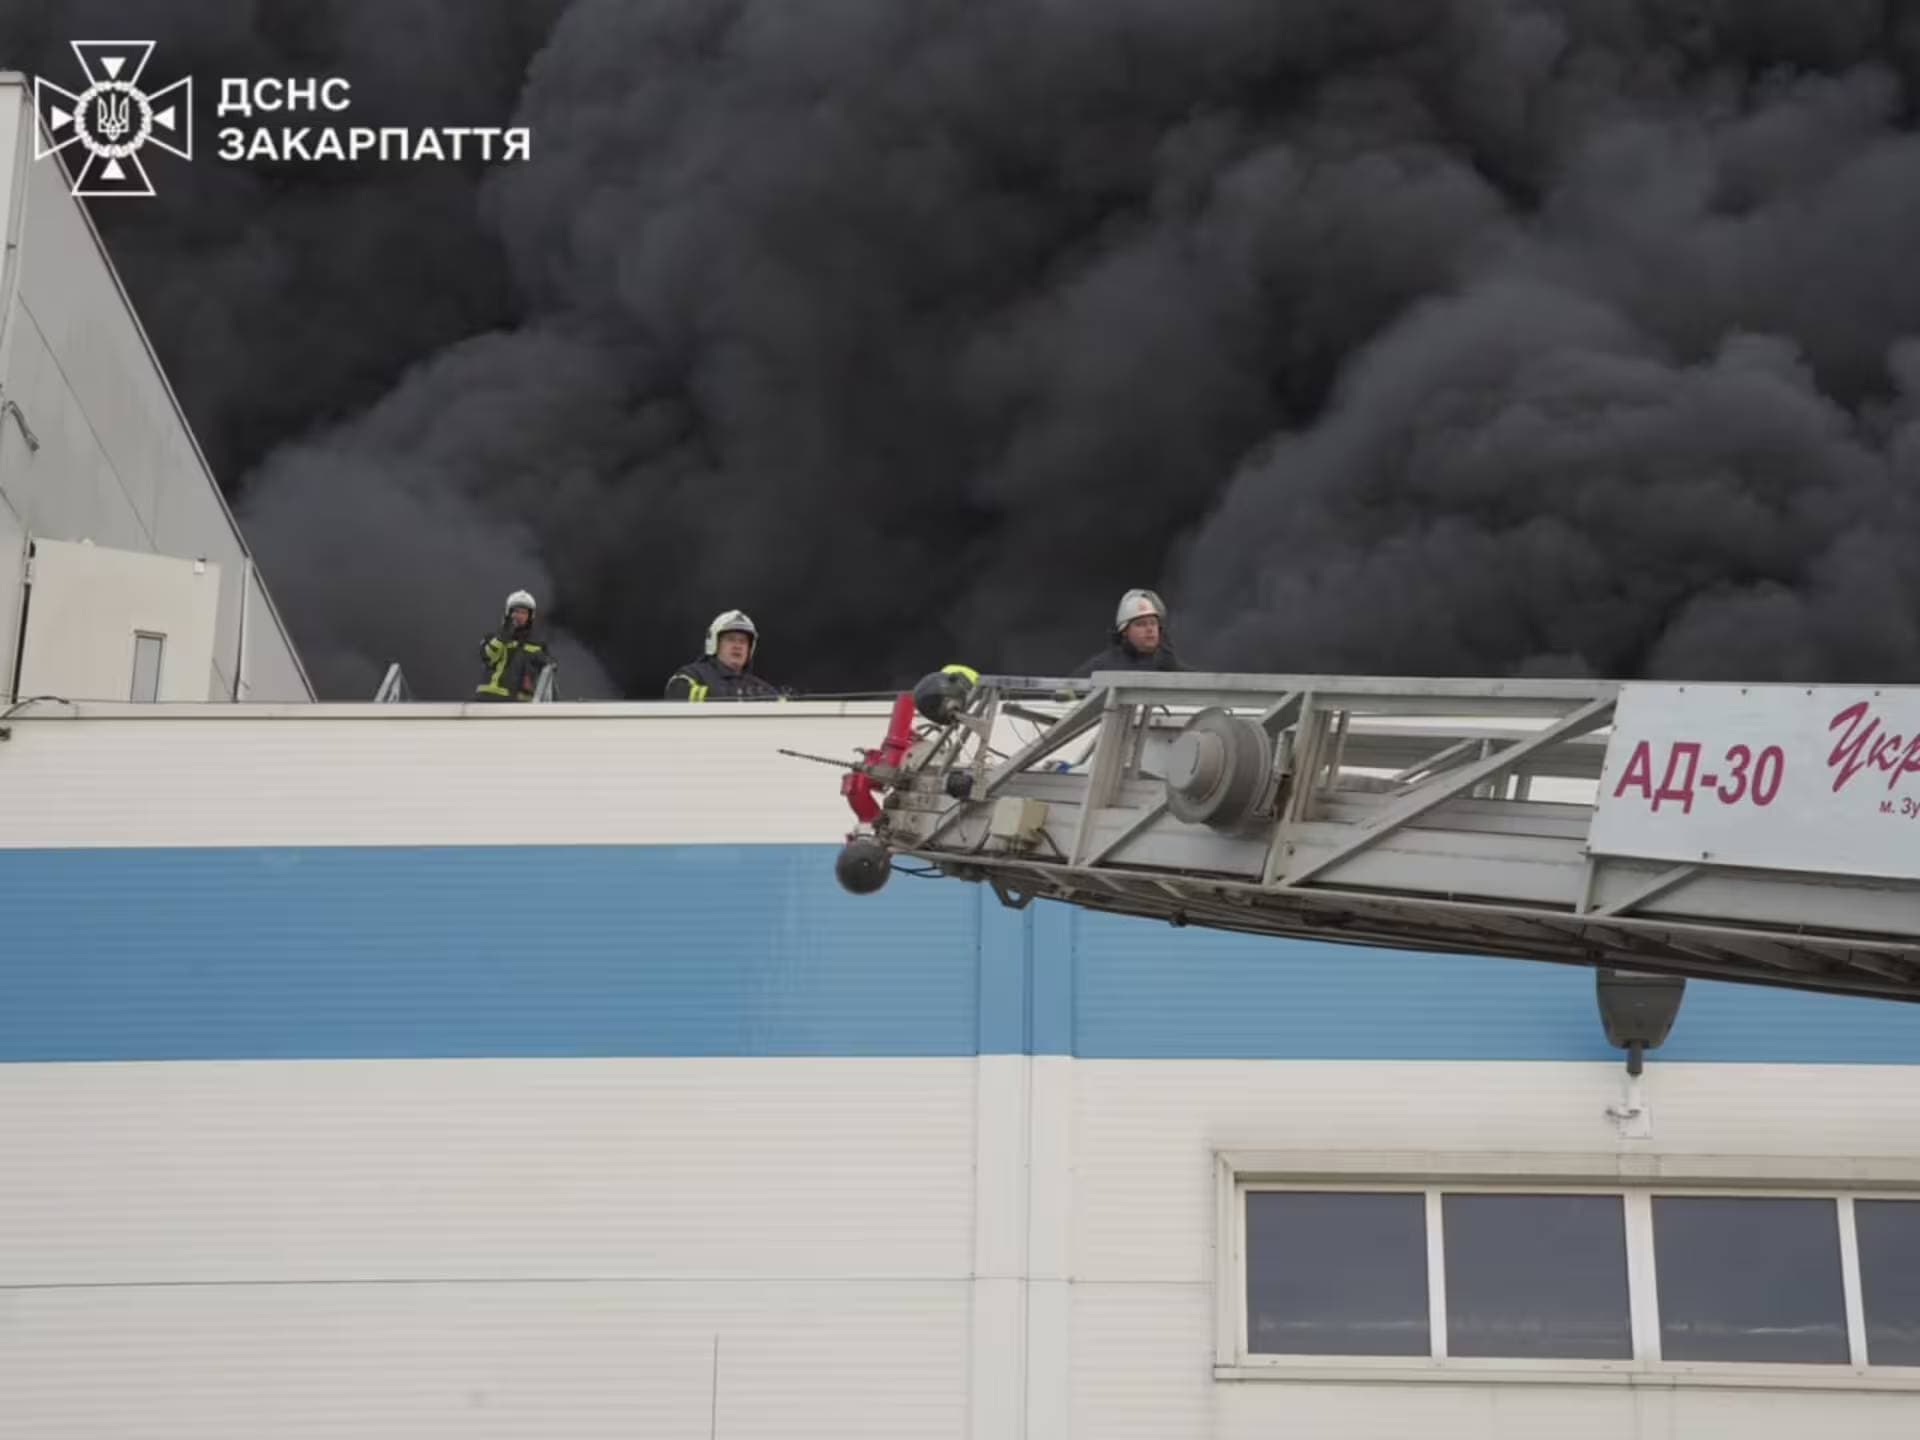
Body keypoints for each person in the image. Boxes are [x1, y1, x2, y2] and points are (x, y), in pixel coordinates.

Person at [665, 609, 782, 701]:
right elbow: (677, 693)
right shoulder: (692, 675)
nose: (738, 646)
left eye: (743, 641)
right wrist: (738, 695)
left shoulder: (759, 687)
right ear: (714, 644)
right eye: (731, 639)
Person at [1072, 588, 1186, 676]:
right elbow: (1068, 690)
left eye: (1153, 623)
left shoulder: (1169, 665)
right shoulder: (1102, 666)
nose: (1149, 629)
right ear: (1125, 631)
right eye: (1141, 624)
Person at [475, 588, 555, 701]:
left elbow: (547, 675)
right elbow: (488, 658)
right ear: (509, 613)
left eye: (524, 613)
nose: (520, 616)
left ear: (530, 617)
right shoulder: (492, 638)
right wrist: (503, 635)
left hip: (517, 708)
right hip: (486, 702)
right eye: (516, 611)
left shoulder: (537, 646)